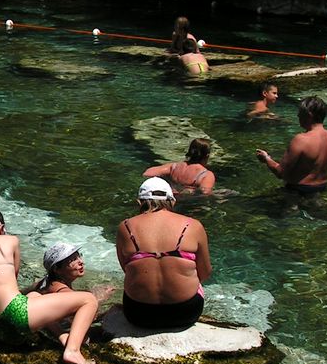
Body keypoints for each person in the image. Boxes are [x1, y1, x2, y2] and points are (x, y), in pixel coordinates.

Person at [0, 207, 98, 364]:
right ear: (1, 228)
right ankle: (72, 351)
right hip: (16, 319)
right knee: (89, 300)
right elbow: (14, 280)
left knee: (35, 296)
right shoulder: (11, 240)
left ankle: (62, 336)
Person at [116, 178, 211, 330]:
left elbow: (126, 269)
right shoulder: (193, 225)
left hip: (138, 314)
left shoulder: (125, 227)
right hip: (185, 313)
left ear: (139, 202)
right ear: (172, 201)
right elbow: (205, 273)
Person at [255, 95, 327, 195]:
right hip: (321, 188)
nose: (298, 116)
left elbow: (280, 172)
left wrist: (266, 158)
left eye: (300, 113)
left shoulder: (301, 140)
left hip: (298, 190)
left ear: (309, 115)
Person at [25, 242, 113, 346]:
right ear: (56, 269)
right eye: (73, 260)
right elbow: (82, 317)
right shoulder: (62, 291)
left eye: (79, 256)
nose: (81, 262)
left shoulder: (44, 282)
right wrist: (103, 308)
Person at [143, 138, 216, 195]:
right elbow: (205, 193)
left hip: (171, 195)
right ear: (207, 156)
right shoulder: (206, 175)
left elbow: (147, 173)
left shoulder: (174, 167)